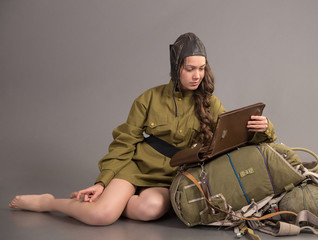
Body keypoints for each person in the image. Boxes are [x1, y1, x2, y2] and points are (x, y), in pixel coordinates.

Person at [8, 32, 276, 226]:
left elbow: (232, 138)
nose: (197, 76)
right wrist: (103, 182)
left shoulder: (211, 103)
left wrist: (264, 128)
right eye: (190, 68)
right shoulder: (148, 98)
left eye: (202, 69)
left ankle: (116, 203)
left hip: (170, 177)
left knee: (148, 210)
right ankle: (47, 202)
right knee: (101, 217)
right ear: (176, 67)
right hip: (136, 168)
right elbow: (124, 143)